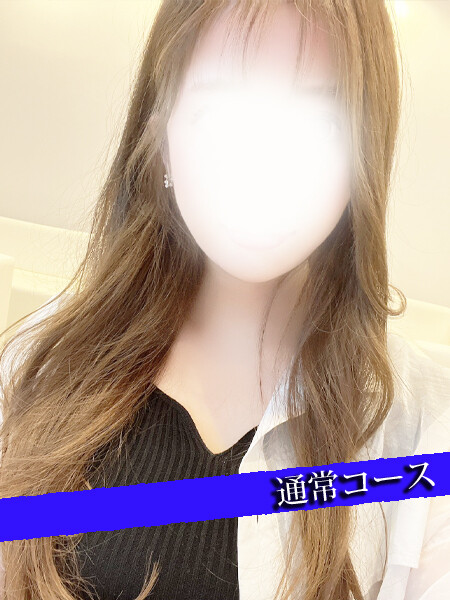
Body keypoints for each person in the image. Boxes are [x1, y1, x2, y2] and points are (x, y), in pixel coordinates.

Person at [0, 1, 449, 599]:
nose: (262, 161)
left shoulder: (424, 427)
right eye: (220, 111)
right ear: (161, 135)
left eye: (319, 123)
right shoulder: (42, 363)